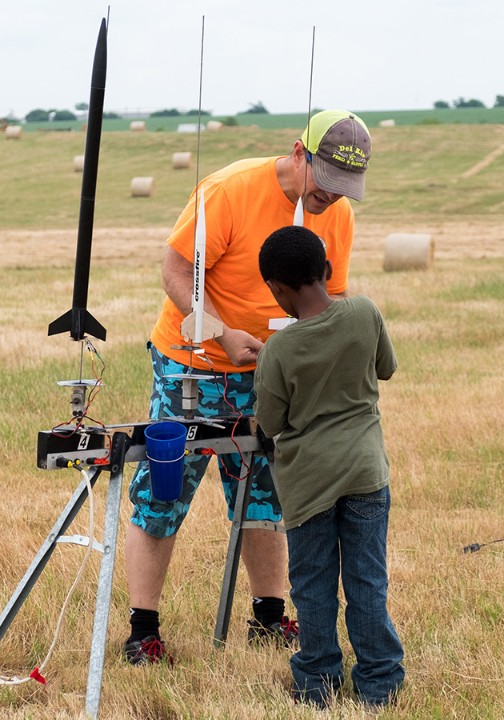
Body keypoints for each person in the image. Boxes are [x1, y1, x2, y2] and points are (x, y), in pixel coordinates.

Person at [123, 110, 373, 665]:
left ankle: (267, 617)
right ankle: (143, 630)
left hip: (273, 376)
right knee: (163, 493)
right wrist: (220, 333)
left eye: (344, 188)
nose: (331, 197)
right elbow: (172, 271)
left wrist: (307, 358)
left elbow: (327, 297)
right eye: (325, 181)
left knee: (266, 495)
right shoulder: (229, 191)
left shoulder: (339, 216)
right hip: (194, 365)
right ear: (298, 152)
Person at [253, 225, 405, 708]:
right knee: (367, 581)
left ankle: (317, 682)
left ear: (276, 288)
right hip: (365, 473)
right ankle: (380, 681)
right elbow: (387, 367)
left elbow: (270, 422)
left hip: (309, 484)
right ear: (327, 269)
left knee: (313, 587)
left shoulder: (278, 350)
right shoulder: (364, 312)